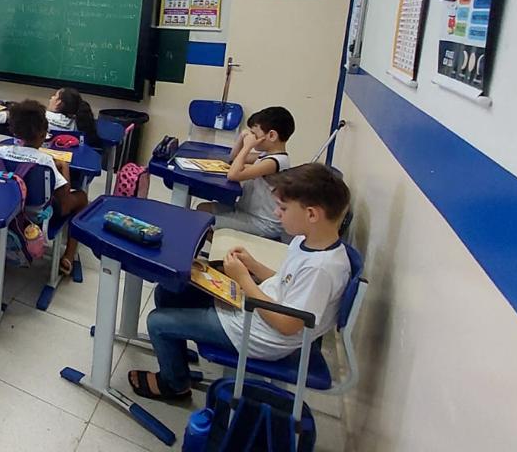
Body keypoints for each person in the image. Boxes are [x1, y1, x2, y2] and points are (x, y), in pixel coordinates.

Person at [130, 164, 352, 401]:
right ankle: (176, 357)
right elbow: (284, 282)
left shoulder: (321, 270)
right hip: (255, 311)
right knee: (168, 293)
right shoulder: (306, 241)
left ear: (312, 214)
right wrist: (252, 265)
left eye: (283, 208)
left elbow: (288, 325)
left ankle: (174, 384)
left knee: (157, 322)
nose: (277, 213)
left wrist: (244, 279)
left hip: (259, 336)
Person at [0, 100, 89, 276]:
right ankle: (69, 257)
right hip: (34, 216)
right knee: (82, 197)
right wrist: (64, 167)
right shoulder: (45, 161)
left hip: (4, 209)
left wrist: (2, 147)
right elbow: (64, 205)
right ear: (43, 134)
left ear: (14, 131)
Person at [199, 106, 295, 240]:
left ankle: (226, 249)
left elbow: (233, 175)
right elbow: (234, 158)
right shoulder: (266, 155)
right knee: (202, 209)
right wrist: (241, 138)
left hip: (262, 222)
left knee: (203, 224)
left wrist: (248, 146)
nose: (252, 138)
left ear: (272, 135)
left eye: (255, 134)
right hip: (245, 210)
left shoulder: (275, 162)